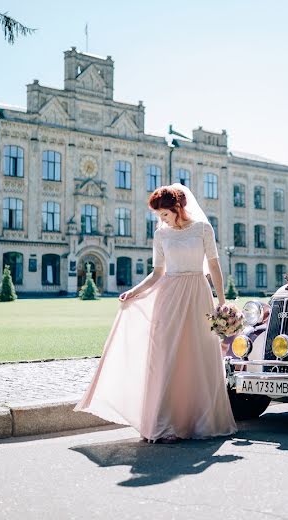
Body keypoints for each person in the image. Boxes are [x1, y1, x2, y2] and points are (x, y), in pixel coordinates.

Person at [75, 184, 237, 443]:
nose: (161, 220)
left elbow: (214, 266)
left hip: (198, 294)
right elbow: (157, 273)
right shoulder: (161, 235)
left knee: (198, 355)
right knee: (166, 356)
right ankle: (165, 425)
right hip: (169, 297)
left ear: (178, 208)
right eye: (159, 215)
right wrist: (134, 291)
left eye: (165, 214)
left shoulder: (203, 229)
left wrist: (222, 302)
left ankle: (200, 421)